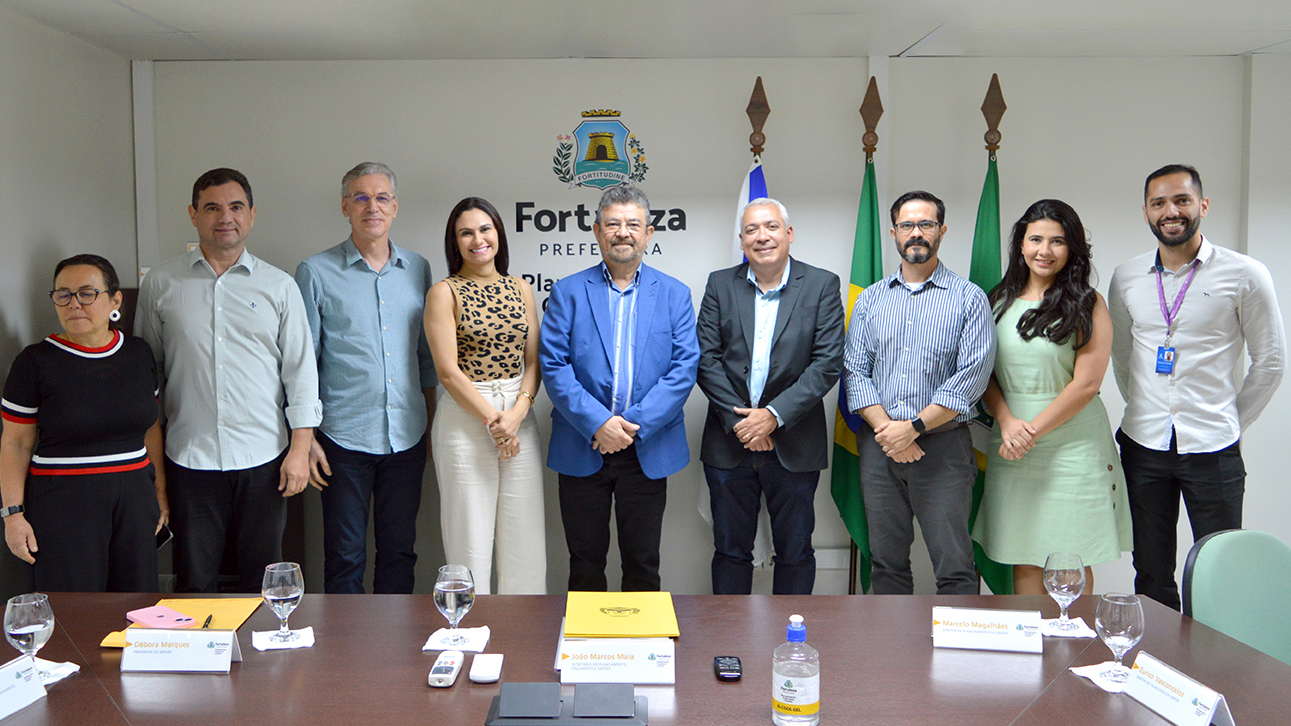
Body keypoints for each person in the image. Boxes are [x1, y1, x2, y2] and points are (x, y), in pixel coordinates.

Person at [1109, 164, 1286, 610]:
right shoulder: (1126, 277)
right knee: (1150, 570)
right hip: (1144, 446)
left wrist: (1229, 419)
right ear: (1147, 213)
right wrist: (1147, 406)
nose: (1171, 211)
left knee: (1219, 572)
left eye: (1181, 200)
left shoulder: (1245, 274)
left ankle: (1214, 675)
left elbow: (1271, 361)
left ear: (1202, 206)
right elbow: (1124, 356)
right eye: (1159, 203)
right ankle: (1156, 668)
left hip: (1214, 448)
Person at [137, 167, 322, 593]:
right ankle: (199, 659)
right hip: (190, 458)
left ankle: (266, 660)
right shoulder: (162, 284)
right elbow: (149, 376)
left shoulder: (280, 286)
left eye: (236, 207)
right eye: (213, 207)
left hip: (265, 457)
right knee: (195, 578)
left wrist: (299, 450)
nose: (226, 217)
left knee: (265, 580)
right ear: (193, 214)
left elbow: (300, 373)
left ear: (252, 215)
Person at [540, 184, 699, 592]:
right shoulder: (568, 292)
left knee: (643, 563)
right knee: (585, 563)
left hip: (647, 447)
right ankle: (587, 653)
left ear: (649, 232)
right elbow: (554, 366)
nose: (623, 232)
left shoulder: (675, 294)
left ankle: (640, 652)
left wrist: (629, 425)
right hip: (583, 443)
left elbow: (684, 368)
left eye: (633, 224)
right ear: (596, 231)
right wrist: (599, 424)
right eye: (613, 223)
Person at [971, 200, 1132, 594]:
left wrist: (1031, 432)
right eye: (1036, 239)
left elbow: (1087, 385)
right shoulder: (997, 300)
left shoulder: (1088, 303)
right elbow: (984, 374)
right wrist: (1008, 423)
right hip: (1011, 440)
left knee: (1068, 559)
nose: (1045, 250)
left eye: (1057, 241)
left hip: (1072, 445)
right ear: (1021, 245)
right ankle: (1034, 652)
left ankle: (1073, 651)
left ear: (1072, 249)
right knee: (1023, 555)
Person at [843, 190, 996, 595]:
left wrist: (912, 428)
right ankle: (893, 657)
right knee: (887, 565)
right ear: (894, 232)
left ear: (942, 231)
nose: (916, 233)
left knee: (955, 565)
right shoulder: (870, 299)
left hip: (943, 449)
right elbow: (856, 372)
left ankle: (959, 659)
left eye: (926, 224)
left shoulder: (969, 298)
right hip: (880, 449)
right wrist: (891, 433)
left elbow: (971, 378)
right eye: (907, 225)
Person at [295, 162, 437, 594]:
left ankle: (394, 655)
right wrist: (307, 438)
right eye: (360, 197)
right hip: (342, 438)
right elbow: (302, 362)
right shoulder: (315, 271)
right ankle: (347, 655)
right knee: (345, 554)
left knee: (400, 550)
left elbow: (425, 358)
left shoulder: (418, 268)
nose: (370, 206)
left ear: (394, 207)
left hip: (406, 435)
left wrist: (429, 426)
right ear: (345, 207)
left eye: (380, 198)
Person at [696, 198, 844, 595]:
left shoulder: (822, 285)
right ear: (742, 241)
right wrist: (744, 423)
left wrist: (773, 416)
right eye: (751, 230)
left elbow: (827, 363)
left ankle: (789, 644)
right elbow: (705, 359)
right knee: (729, 552)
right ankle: (731, 641)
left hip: (794, 443)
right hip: (730, 443)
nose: (762, 237)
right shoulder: (719, 284)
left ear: (789, 234)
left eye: (771, 227)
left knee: (795, 552)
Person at [0, 255, 167, 592]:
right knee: (73, 611)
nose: (74, 304)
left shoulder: (138, 354)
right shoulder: (34, 362)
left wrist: (160, 493)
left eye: (87, 293)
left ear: (114, 300)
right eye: (63, 294)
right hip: (63, 503)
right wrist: (13, 515)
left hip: (135, 499)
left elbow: (151, 428)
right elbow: (15, 443)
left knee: (137, 606)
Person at [424, 197, 546, 595]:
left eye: (485, 229)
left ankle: (522, 643)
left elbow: (533, 362)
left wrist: (515, 415)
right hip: (467, 418)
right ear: (454, 242)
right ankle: (470, 636)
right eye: (466, 232)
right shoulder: (444, 292)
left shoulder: (521, 288)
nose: (478, 239)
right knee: (470, 542)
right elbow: (447, 372)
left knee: (525, 543)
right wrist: (494, 422)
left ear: (498, 234)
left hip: (518, 417)